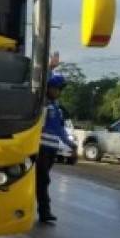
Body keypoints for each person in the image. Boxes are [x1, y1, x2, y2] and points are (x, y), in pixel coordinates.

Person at [36, 74, 74, 223]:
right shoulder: (41, 103)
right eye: (56, 89)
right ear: (48, 88)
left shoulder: (57, 107)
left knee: (42, 181)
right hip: (40, 148)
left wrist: (71, 144)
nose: (58, 92)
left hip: (51, 149)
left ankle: (43, 211)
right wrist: (51, 68)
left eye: (60, 89)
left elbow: (59, 129)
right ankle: (44, 212)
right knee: (42, 180)